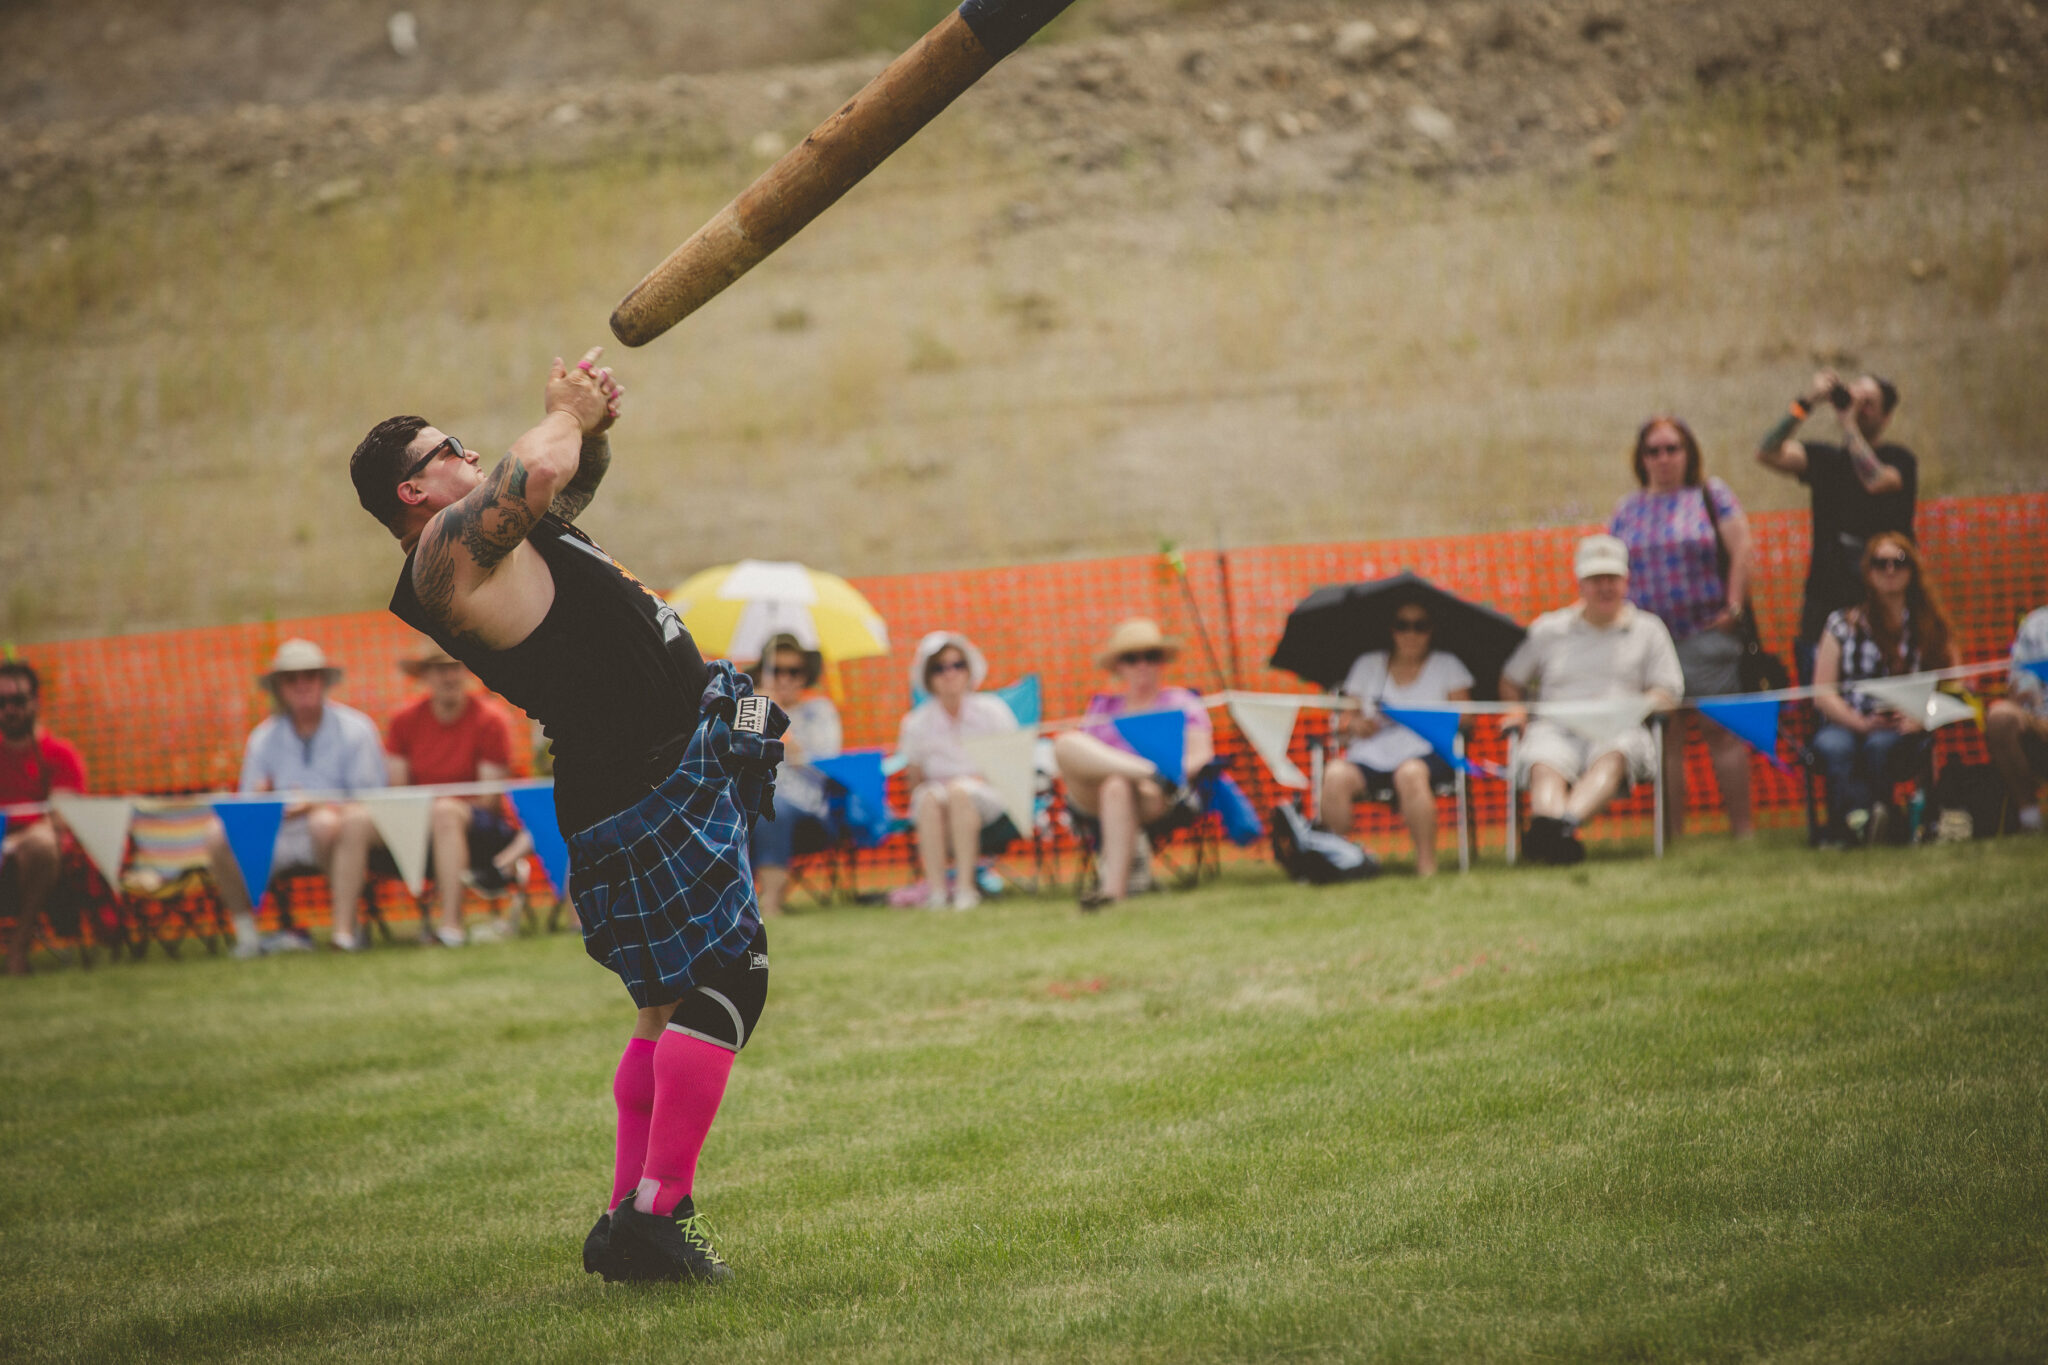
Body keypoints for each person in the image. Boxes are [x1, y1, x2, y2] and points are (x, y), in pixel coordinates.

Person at [350, 346, 778, 1286]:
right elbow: (541, 463)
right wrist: (559, 410)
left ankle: (628, 1216)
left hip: (640, 769)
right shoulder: (444, 563)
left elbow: (566, 474)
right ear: (414, 491)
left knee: (664, 1005)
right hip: (640, 775)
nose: (471, 454)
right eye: (450, 449)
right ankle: (662, 1212)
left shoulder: (503, 537)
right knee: (732, 980)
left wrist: (595, 426)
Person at [1610, 416, 1756, 841]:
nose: (1663, 458)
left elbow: (1741, 550)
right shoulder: (1628, 509)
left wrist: (1734, 608)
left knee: (1722, 730)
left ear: (1688, 452)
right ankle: (1671, 838)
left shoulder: (1712, 496)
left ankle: (1743, 832)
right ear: (1641, 459)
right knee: (1665, 736)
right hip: (1651, 643)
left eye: (1672, 448)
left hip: (1706, 636)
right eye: (1653, 451)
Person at [1499, 535, 1684, 866]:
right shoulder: (1549, 629)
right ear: (1580, 584)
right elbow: (1511, 680)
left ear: (1626, 581)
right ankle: (1557, 835)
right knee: (1543, 761)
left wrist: (1639, 706)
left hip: (1620, 728)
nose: (1605, 588)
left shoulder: (1648, 630)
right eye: (1596, 580)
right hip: (1556, 728)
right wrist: (1517, 710)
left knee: (1615, 755)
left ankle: (1557, 829)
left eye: (1612, 579)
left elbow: (1668, 692)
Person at [203, 639, 388, 956]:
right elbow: (249, 803)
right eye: (292, 679)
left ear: (323, 680)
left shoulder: (357, 729)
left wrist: (317, 805)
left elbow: (371, 799)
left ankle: (346, 929)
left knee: (323, 823)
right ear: (279, 687)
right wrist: (264, 801)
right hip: (278, 836)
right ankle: (248, 936)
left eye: (310, 676)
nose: (302, 684)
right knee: (217, 833)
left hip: (338, 833)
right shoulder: (263, 738)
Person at [1754, 368, 1918, 682]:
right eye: (1854, 396)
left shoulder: (1899, 461)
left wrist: (1848, 424)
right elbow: (1766, 451)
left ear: (1886, 416)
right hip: (1826, 596)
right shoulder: (1825, 460)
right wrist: (1807, 401)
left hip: (1886, 591)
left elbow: (1875, 480)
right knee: (1818, 685)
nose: (1858, 407)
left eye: (1869, 402)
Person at [1052, 618, 1214, 910]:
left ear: (1160, 662)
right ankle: (1148, 772)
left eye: (1150, 657)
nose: (1142, 665)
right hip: (1094, 794)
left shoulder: (1182, 702)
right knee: (1065, 744)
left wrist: (1171, 773)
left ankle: (1112, 891)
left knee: (1117, 785)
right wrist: (1148, 770)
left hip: (1156, 797)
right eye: (1131, 658)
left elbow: (1201, 755)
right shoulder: (1102, 707)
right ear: (1119, 667)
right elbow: (1082, 756)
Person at [1810, 533, 1957, 846]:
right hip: (1847, 720)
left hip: (1904, 723)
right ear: (1868, 571)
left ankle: (1883, 820)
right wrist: (1858, 722)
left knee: (1881, 745)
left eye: (1899, 562)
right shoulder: (1842, 624)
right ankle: (1851, 825)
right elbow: (1822, 692)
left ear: (1912, 570)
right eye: (1880, 563)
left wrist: (1922, 718)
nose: (1890, 570)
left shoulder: (1929, 625)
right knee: (1837, 747)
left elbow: (1955, 686)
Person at [385, 639, 532, 945]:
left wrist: (440, 812)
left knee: (446, 812)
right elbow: (397, 791)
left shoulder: (491, 720)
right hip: (416, 824)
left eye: (454, 668)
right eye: (439, 670)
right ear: (424, 676)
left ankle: (450, 927)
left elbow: (489, 799)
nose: (448, 677)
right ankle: (344, 935)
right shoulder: (402, 721)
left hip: (484, 830)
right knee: (354, 820)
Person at [1322, 600, 1473, 876]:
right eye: (1403, 626)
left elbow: (1466, 718)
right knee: (1334, 774)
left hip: (1427, 753)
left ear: (1431, 631)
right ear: (1391, 631)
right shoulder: (1367, 665)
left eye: (1420, 626)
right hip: (1370, 756)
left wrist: (1418, 718)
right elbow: (1344, 721)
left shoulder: (1447, 665)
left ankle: (1426, 864)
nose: (1411, 634)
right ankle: (1339, 863)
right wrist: (1356, 724)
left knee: (1410, 773)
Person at [896, 632, 1020, 910]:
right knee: (928, 797)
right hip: (938, 802)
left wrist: (970, 782)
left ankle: (965, 889)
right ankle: (938, 892)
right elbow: (915, 781)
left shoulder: (993, 711)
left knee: (959, 791)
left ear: (969, 670)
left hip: (990, 799)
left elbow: (1010, 769)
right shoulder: (915, 723)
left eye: (957, 665)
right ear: (928, 677)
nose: (949, 674)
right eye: (940, 668)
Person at [745, 633, 841, 918]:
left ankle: (771, 903)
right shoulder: (752, 709)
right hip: (755, 798)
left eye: (794, 671)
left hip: (809, 805)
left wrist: (778, 723)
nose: (785, 678)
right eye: (776, 670)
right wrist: (757, 711)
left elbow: (822, 765)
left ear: (805, 675)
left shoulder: (820, 711)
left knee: (773, 808)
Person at [1, 661, 86, 977]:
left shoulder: (60, 754)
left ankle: (18, 950)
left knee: (40, 843)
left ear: (36, 702)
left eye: (18, 701)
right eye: (1, 703)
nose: (10, 710)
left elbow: (61, 819)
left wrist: (14, 840)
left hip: (45, 863)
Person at [1986, 605, 2048, 834]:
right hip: (2041, 723)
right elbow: (2019, 685)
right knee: (2001, 717)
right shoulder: (2036, 624)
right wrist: (2025, 690)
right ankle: (2030, 820)